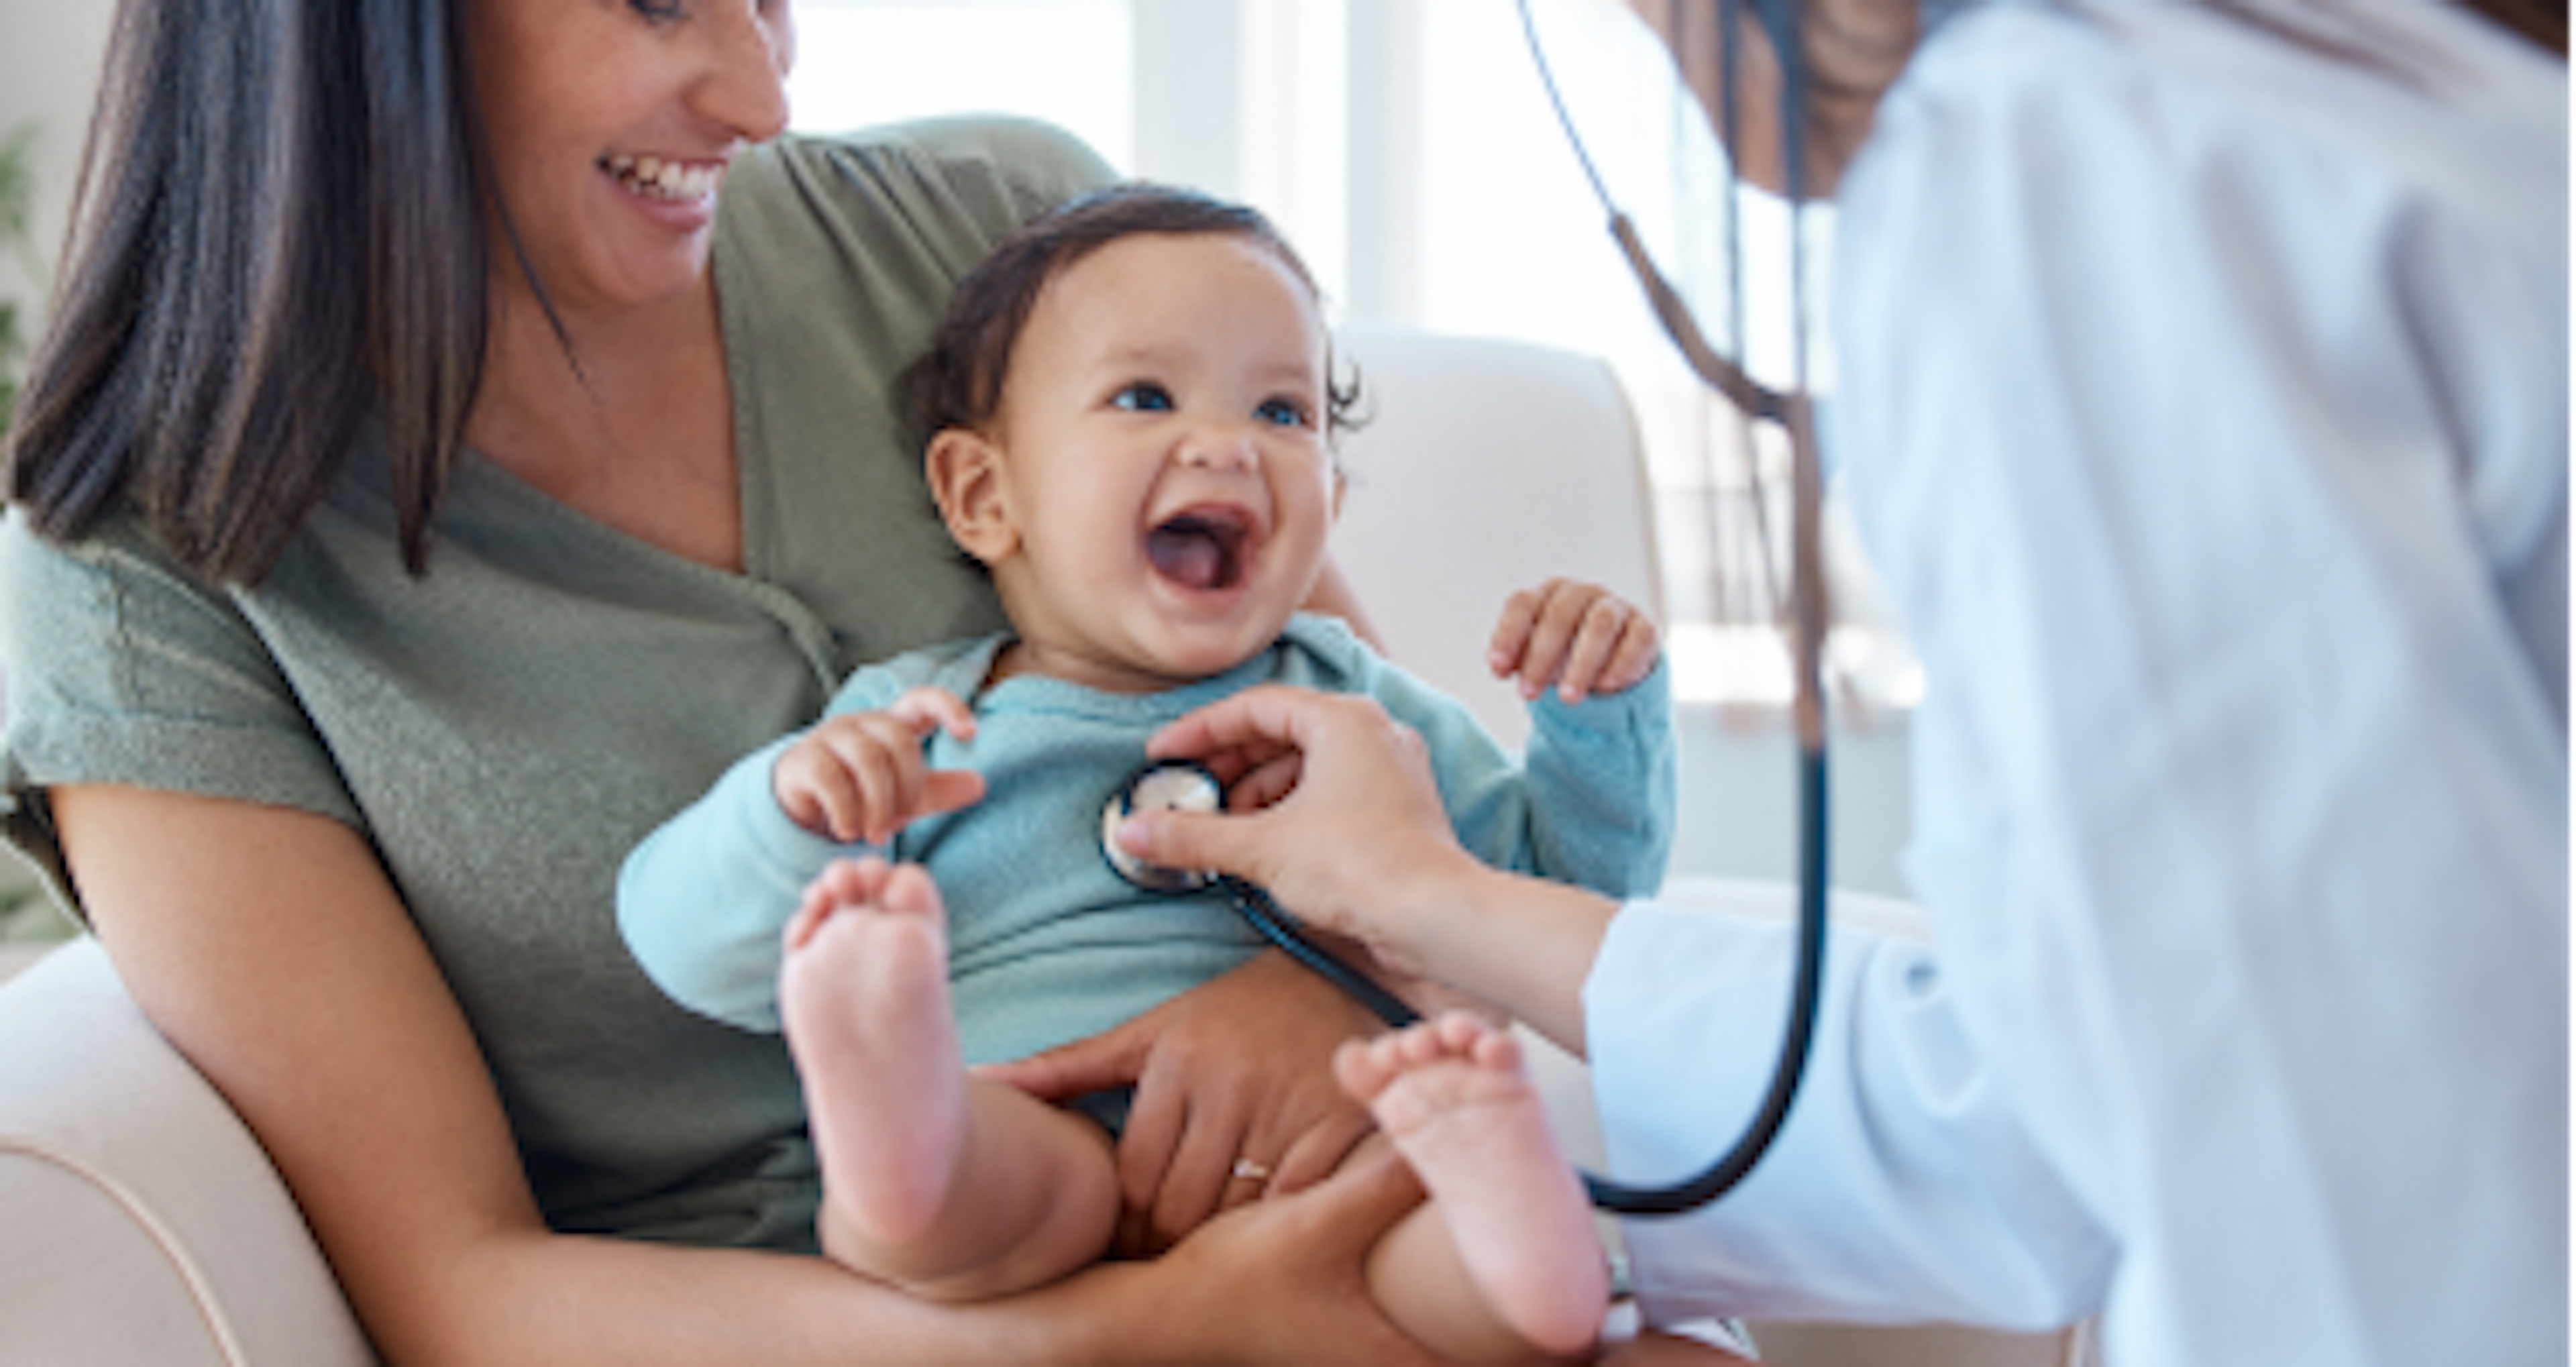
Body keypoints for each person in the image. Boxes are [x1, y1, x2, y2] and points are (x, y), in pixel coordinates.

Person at [0, 3, 1727, 1362]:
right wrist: (1144, 1333)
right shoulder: (143, 571)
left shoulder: (1008, 231)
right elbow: (466, 1290)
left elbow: (1374, 799)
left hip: (1311, 1175)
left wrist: (1319, 994)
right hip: (828, 1304)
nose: (759, 97)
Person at [1087, 1, 2574, 1365]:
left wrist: (1452, 877)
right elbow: (2083, 1087)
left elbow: (2319, 1167)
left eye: (1286, 408)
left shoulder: (2067, 161)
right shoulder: (2360, 87)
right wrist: (1422, 902)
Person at [615, 183, 1672, 1364]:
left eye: (1285, 409)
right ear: (984, 495)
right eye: (1143, 396)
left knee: (1440, 1260)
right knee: (949, 1205)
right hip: (1040, 1124)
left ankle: (1519, 1232)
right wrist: (793, 815)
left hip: (1337, 1151)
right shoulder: (923, 723)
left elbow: (1561, 901)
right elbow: (680, 943)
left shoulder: (1355, 704)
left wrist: (1593, 722)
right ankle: (897, 1112)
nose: (1228, 441)